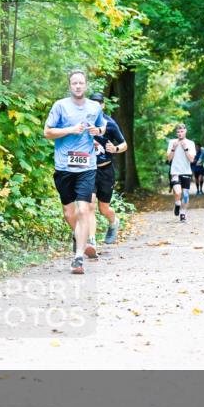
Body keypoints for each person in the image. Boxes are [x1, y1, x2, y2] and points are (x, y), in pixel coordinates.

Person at [44, 70, 106, 274]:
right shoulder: (60, 106)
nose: (78, 86)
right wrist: (70, 129)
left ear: (86, 85)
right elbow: (47, 132)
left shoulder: (94, 107)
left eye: (81, 83)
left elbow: (101, 127)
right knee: (69, 213)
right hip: (64, 166)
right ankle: (79, 235)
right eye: (74, 83)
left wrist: (98, 131)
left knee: (84, 210)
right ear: (70, 86)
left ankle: (78, 258)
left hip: (87, 167)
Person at [89, 93, 128, 246]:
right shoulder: (84, 122)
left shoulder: (110, 123)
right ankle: (91, 241)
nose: (95, 106)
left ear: (103, 105)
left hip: (106, 170)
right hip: (89, 170)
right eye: (92, 103)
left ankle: (113, 222)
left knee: (103, 208)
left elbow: (124, 144)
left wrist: (115, 148)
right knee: (90, 205)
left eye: (98, 103)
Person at [166, 124, 196, 223]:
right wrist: (173, 148)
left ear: (185, 131)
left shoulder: (190, 143)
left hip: (186, 171)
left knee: (186, 195)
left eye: (182, 131)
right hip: (175, 171)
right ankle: (177, 203)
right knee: (178, 192)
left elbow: (191, 159)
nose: (180, 133)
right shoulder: (172, 142)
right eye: (178, 132)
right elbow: (169, 158)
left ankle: (183, 214)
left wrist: (185, 148)